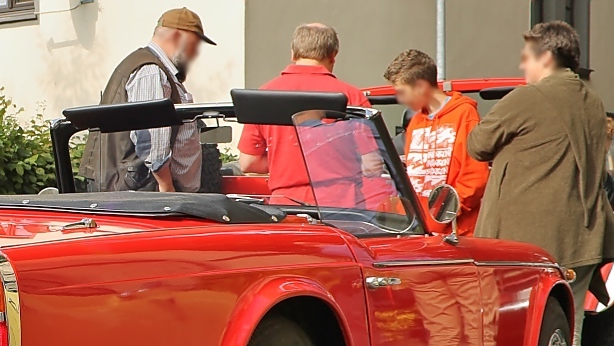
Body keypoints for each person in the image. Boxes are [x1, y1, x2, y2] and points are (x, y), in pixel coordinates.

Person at [467, 21, 614, 346]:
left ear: (546, 56)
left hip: (525, 244)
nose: (522, 66)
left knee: (515, 336)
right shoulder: (592, 102)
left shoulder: (527, 98)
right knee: (565, 335)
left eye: (526, 57)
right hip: (583, 237)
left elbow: (477, 144)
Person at [78, 8, 215, 193]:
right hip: (143, 191)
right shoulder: (151, 71)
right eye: (194, 44)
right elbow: (151, 137)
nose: (195, 53)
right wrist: (166, 186)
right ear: (177, 36)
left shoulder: (155, 68)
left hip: (140, 189)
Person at [237, 23, 370, 204]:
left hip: (286, 205)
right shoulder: (352, 96)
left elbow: (248, 162)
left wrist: (285, 161)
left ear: (293, 53)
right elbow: (372, 162)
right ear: (333, 56)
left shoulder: (265, 95)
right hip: (342, 205)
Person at [383, 49, 489, 236]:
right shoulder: (415, 122)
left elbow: (474, 177)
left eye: (402, 92)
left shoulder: (464, 114)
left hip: (456, 234)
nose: (400, 99)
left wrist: (445, 214)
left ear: (421, 86)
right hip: (418, 231)